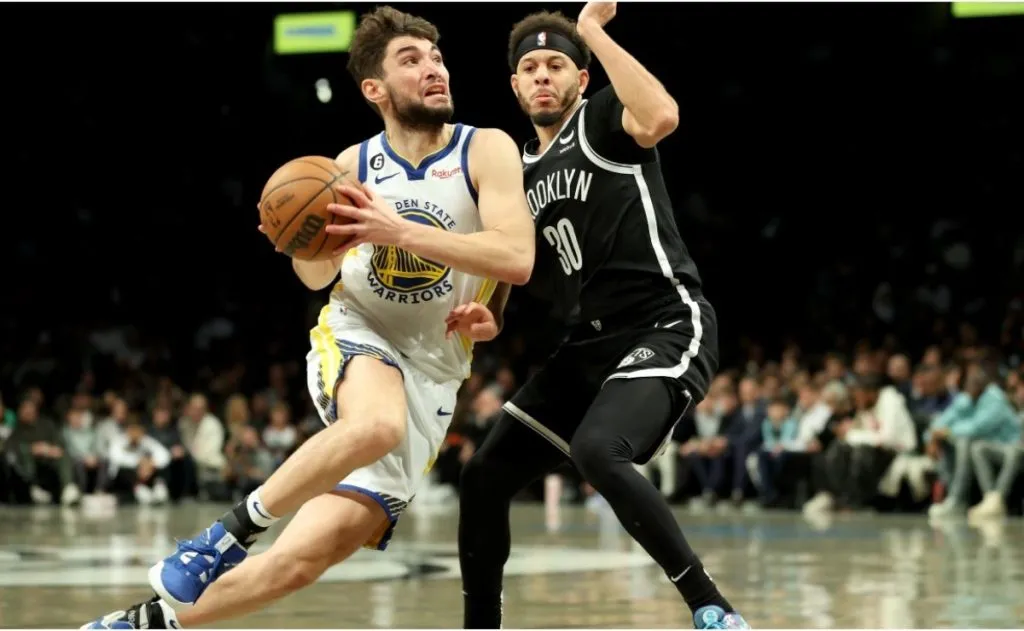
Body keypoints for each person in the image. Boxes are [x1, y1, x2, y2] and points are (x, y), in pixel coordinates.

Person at [82, 6, 534, 629]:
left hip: (436, 375)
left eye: (436, 56)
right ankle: (224, 535)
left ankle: (141, 625)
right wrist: (306, 245)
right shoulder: (348, 167)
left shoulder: (487, 148)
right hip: (361, 334)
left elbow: (514, 256)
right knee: (375, 424)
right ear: (374, 89)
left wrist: (490, 316)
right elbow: (317, 276)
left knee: (299, 562)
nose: (433, 68)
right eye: (411, 60)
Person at [457, 3, 749, 629]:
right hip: (586, 347)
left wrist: (591, 33)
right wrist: (491, 316)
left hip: (663, 321)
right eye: (529, 67)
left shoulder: (602, 118)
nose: (542, 76)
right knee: (483, 476)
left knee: (598, 449)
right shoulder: (517, 172)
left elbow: (663, 115)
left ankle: (712, 609)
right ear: (514, 85)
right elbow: (510, 263)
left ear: (580, 78)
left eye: (556, 65)